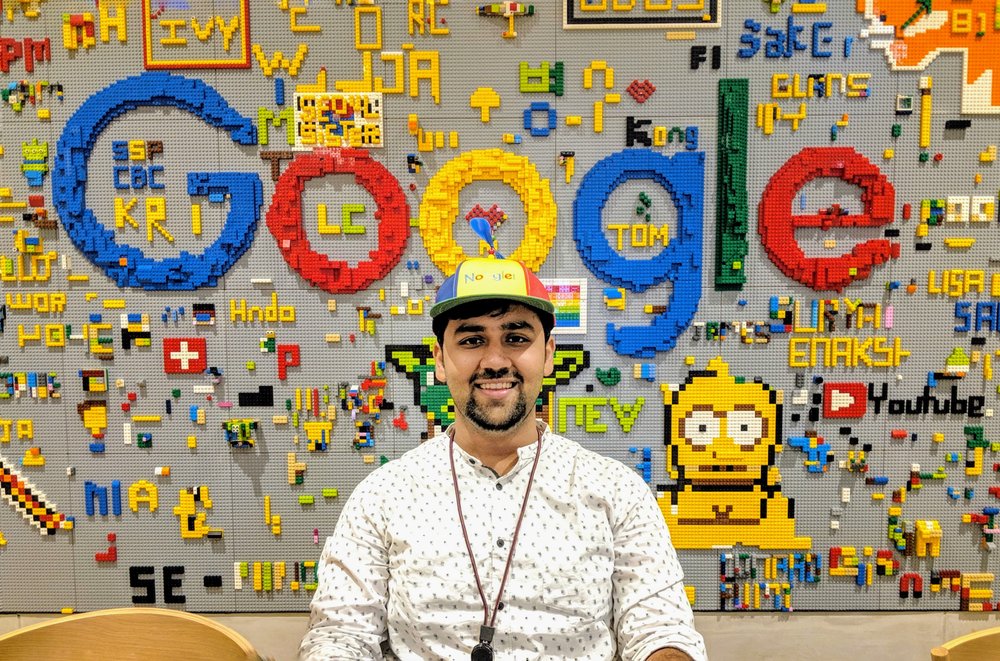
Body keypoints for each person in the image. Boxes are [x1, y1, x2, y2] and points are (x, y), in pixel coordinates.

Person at [300, 256, 706, 661]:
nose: (495, 361)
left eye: (515, 338)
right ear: (440, 360)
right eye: (472, 340)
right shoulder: (382, 496)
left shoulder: (617, 492)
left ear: (547, 355)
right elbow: (340, 633)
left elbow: (660, 629)